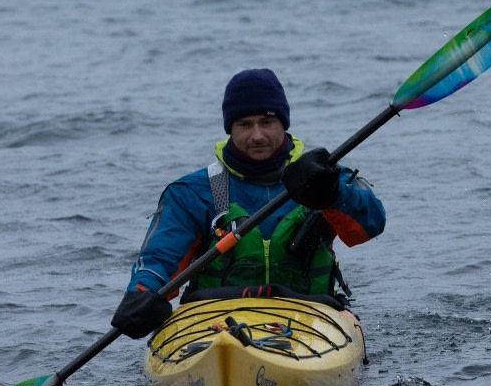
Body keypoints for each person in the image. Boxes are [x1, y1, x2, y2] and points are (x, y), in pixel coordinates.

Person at [111, 68, 386, 339]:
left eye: (266, 123)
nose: (257, 135)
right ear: (230, 129)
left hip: (311, 313)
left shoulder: (326, 178)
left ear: (283, 124)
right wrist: (141, 294)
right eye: (244, 125)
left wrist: (335, 194)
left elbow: (372, 224)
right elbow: (161, 258)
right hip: (212, 319)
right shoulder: (192, 192)